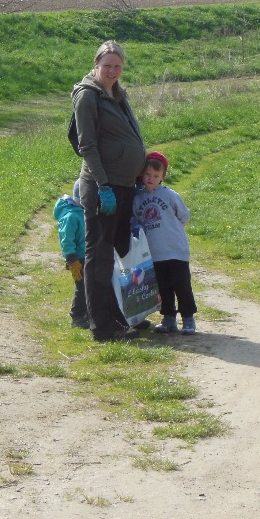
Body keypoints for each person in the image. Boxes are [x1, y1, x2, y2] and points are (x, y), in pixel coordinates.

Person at [72, 40, 148, 342]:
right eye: (107, 66)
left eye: (118, 66)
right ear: (96, 65)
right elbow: (87, 145)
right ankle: (101, 326)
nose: (113, 71)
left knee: (118, 253)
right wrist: (103, 186)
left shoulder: (117, 94)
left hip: (124, 184)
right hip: (103, 186)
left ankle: (118, 315)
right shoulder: (88, 96)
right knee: (99, 256)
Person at [133, 151, 197, 334]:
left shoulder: (170, 195)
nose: (151, 179)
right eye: (147, 174)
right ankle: (168, 317)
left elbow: (184, 215)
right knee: (163, 287)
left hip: (175, 250)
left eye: (155, 175)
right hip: (155, 252)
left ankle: (188, 318)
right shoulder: (138, 199)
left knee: (181, 285)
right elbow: (135, 219)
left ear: (163, 177)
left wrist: (171, 229)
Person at [54, 180, 89, 329]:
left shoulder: (84, 212)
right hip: (77, 259)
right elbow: (66, 240)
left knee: (90, 287)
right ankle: (77, 316)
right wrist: (71, 259)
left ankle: (87, 313)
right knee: (82, 288)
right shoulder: (71, 216)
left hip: (88, 255)